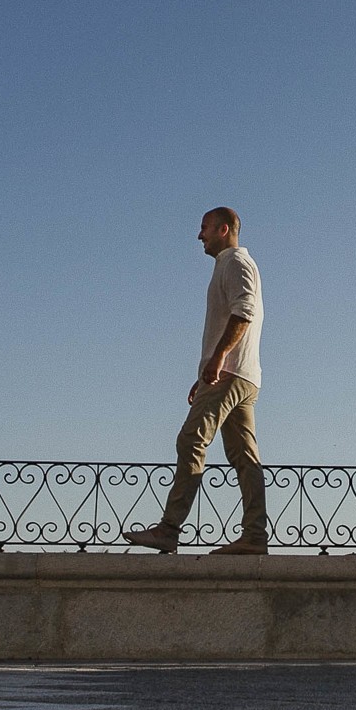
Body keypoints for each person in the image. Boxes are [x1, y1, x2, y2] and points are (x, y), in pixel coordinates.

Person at [125, 206, 267, 555]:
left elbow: (244, 311)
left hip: (231, 373)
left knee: (191, 439)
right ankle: (254, 536)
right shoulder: (230, 264)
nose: (198, 235)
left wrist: (218, 359)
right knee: (244, 456)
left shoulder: (235, 262)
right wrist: (205, 369)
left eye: (204, 228)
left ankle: (169, 529)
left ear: (223, 229)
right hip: (242, 375)